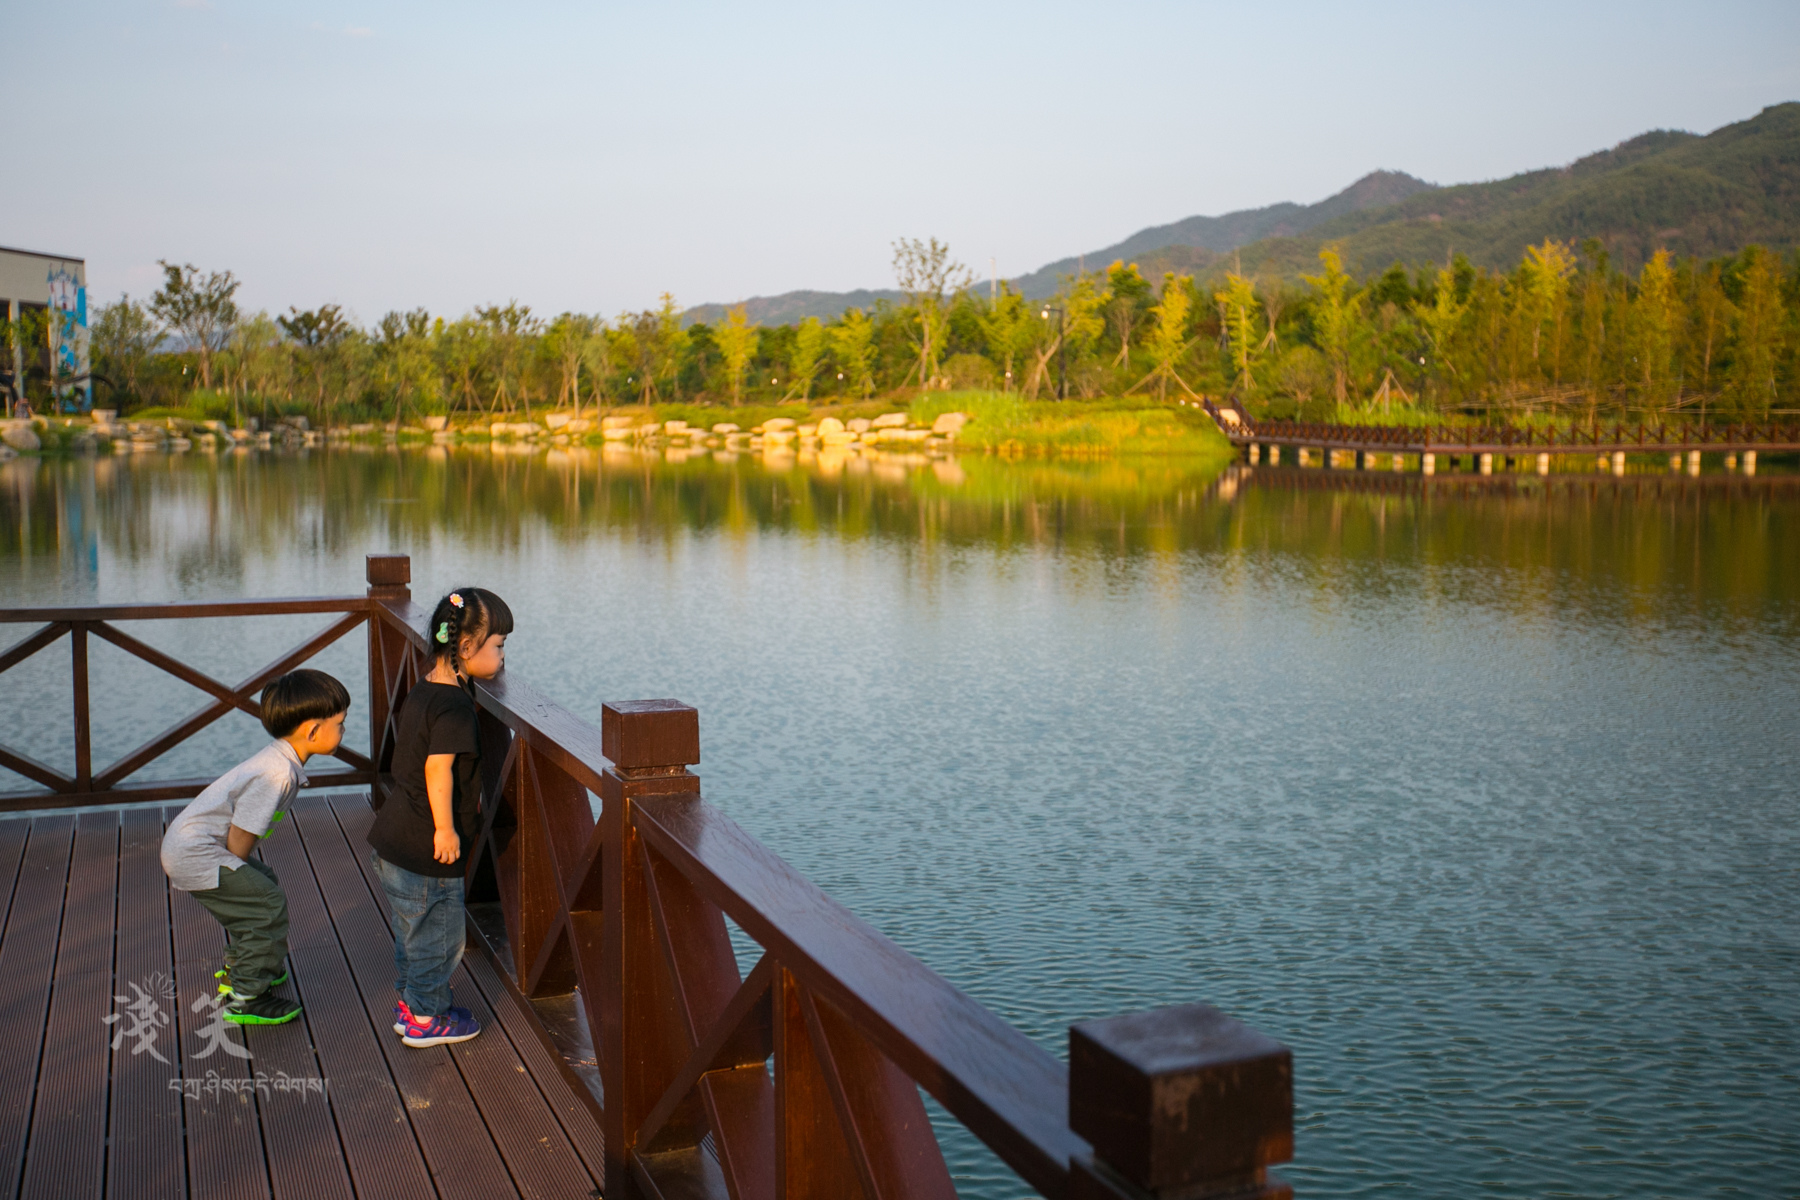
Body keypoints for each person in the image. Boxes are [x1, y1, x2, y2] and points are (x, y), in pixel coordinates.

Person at [160, 668, 350, 1025]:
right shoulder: (276, 774)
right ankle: (245, 996)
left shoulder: (280, 759)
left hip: (192, 846)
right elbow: (239, 837)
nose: (344, 730)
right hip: (196, 852)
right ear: (312, 731)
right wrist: (244, 880)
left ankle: (251, 964)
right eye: (339, 723)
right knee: (264, 904)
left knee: (263, 890)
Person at [367, 586, 511, 1048]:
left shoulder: (428, 687)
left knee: (411, 928)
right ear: (466, 647)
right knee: (440, 935)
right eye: (500, 645)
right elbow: (438, 769)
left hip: (396, 837)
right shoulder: (453, 707)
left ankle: (411, 1003)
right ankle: (428, 1018)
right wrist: (447, 829)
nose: (504, 655)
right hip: (429, 846)